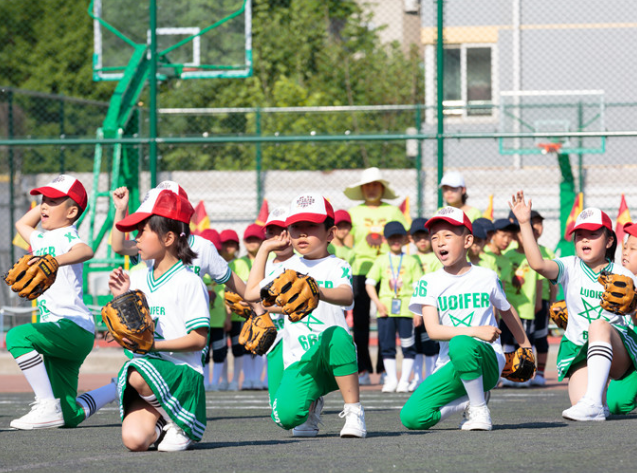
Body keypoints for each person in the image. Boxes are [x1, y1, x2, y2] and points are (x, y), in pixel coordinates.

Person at [244, 193, 366, 438]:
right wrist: (265, 248)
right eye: (296, 227)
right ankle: (311, 403)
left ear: (330, 234)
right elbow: (251, 293)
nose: (302, 234)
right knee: (286, 418)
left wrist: (315, 290)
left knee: (338, 335)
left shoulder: (338, 265)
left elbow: (347, 296)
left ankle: (354, 411)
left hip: (333, 356)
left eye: (311, 227)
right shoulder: (285, 269)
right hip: (301, 360)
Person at [400, 207, 532, 431]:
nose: (440, 242)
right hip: (451, 362)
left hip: (487, 359)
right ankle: (473, 398)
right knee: (412, 418)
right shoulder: (428, 281)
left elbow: (507, 310)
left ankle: (480, 409)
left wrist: (526, 346)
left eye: (448, 235)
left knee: (461, 343)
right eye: (434, 237)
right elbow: (433, 331)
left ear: (468, 240)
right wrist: (475, 331)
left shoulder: (487, 276)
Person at [110, 183, 249, 394]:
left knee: (140, 376)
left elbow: (232, 281)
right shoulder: (150, 246)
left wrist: (259, 308)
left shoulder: (201, 248)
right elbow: (119, 246)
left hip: (185, 334)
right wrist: (120, 210)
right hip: (155, 326)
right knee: (133, 380)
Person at [509, 192, 637, 421]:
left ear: (609, 241)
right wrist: (524, 223)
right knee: (582, 402)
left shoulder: (624, 274)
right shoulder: (570, 266)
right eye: (580, 235)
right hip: (580, 349)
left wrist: (633, 309)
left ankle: (595, 402)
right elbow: (537, 264)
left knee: (599, 325)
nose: (585, 239)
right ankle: (597, 403)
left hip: (620, 352)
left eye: (593, 234)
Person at [107, 187, 209, 451]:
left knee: (137, 371)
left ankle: (181, 422)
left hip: (183, 376)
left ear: (168, 238)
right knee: (134, 440)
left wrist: (152, 347)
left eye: (142, 231)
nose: (136, 238)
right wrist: (122, 298)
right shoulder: (138, 276)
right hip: (151, 374)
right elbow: (134, 335)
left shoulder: (189, 281)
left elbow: (198, 340)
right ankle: (164, 421)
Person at [6, 175, 105, 430]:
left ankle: (45, 403)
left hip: (72, 326)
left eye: (53, 200)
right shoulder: (40, 239)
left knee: (17, 337)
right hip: (62, 333)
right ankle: (117, 386)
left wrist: (55, 261)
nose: (45, 205)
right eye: (43, 200)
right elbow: (21, 224)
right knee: (68, 415)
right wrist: (44, 207)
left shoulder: (66, 235)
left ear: (72, 211)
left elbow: (87, 251)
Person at [344, 167, 407, 385]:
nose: (371, 189)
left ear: (382, 188)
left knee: (387, 319)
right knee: (359, 322)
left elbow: (404, 240)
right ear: (362, 189)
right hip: (359, 271)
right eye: (367, 185)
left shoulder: (394, 212)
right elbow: (347, 243)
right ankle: (361, 369)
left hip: (389, 271)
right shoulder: (353, 213)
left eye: (375, 185)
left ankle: (384, 368)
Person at [366, 221, 423, 393]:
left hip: (406, 310)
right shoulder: (381, 260)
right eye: (392, 238)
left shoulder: (412, 261)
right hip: (385, 311)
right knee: (387, 345)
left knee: (408, 346)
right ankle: (391, 379)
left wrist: (417, 310)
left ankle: (404, 380)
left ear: (405, 239)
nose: (395, 241)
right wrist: (377, 303)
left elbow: (419, 287)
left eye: (399, 237)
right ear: (385, 240)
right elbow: (369, 283)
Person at [498, 214, 542, 388]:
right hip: (510, 306)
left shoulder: (534, 256)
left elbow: (539, 281)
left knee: (524, 340)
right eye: (521, 234)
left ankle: (523, 374)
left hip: (527, 308)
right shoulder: (508, 255)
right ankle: (508, 374)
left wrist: (538, 301)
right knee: (507, 341)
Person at [262, 206, 295, 406]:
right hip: (273, 337)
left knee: (298, 391)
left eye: (284, 230)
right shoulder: (264, 263)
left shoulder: (302, 263)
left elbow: (295, 306)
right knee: (276, 407)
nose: (279, 237)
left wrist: (264, 307)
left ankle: (311, 404)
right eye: (272, 231)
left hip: (297, 335)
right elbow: (254, 295)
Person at [605, 222, 637, 415]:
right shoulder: (618, 279)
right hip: (631, 357)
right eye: (625, 247)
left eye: (633, 248)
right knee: (616, 404)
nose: (625, 252)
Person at [231, 223, 266, 390]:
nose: (252, 243)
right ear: (244, 242)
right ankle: (248, 379)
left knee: (262, 344)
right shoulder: (236, 263)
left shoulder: (267, 261)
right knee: (245, 344)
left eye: (256, 239)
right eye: (249, 239)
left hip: (264, 310)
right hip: (242, 313)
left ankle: (258, 379)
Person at [408, 217, 440, 390]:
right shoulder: (409, 259)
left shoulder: (436, 259)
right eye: (417, 237)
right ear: (412, 239)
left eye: (425, 237)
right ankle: (417, 376)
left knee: (429, 343)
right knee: (415, 345)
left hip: (430, 308)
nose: (422, 241)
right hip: (413, 309)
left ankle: (430, 376)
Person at [527, 210, 558, 386]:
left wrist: (552, 302)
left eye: (539, 223)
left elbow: (553, 281)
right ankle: (523, 371)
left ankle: (540, 373)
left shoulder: (547, 251)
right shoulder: (514, 251)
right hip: (522, 301)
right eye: (533, 222)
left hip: (542, 302)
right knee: (524, 338)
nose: (537, 227)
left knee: (540, 337)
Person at [484, 218, 516, 285]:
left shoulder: (507, 262)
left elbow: (502, 286)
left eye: (510, 237)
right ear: (493, 235)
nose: (506, 240)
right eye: (503, 235)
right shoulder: (483, 252)